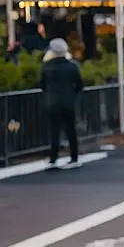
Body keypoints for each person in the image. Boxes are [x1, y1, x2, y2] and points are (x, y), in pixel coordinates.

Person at [40, 37, 83, 169]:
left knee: (54, 131)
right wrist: (72, 94)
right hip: (68, 102)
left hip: (52, 102)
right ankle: (74, 157)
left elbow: (42, 84)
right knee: (71, 130)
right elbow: (79, 84)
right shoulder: (72, 66)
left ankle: (53, 159)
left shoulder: (47, 66)